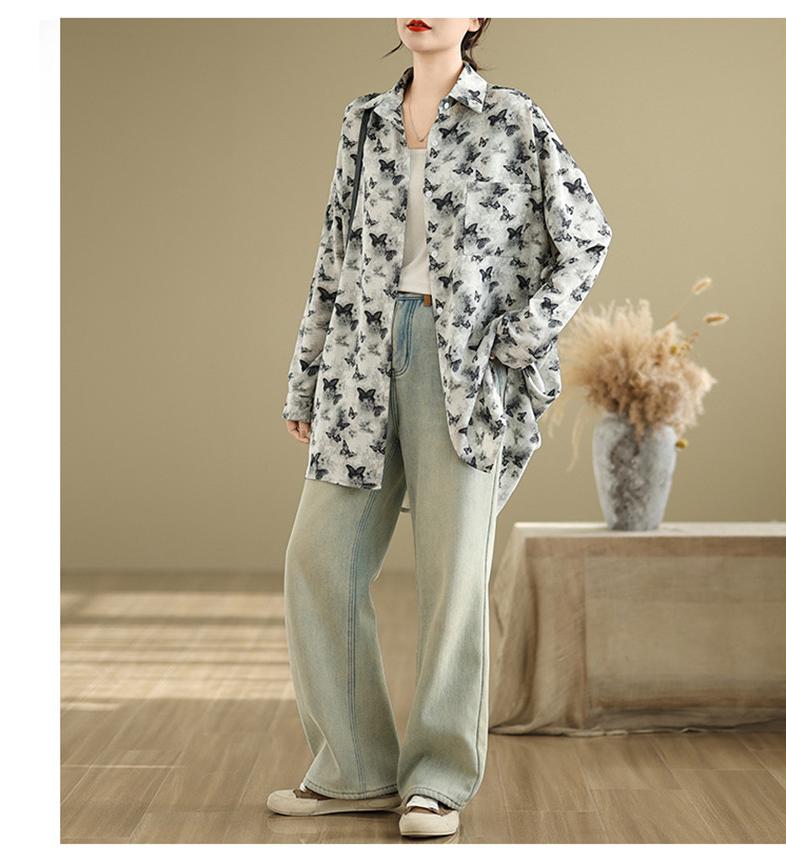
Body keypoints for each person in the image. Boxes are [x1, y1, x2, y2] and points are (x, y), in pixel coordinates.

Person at [267, 18, 613, 839]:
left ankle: (437, 782)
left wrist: (517, 341)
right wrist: (306, 374)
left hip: (461, 368)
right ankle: (353, 770)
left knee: (452, 579)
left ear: (477, 15)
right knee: (318, 560)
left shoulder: (512, 118)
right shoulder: (363, 121)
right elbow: (332, 253)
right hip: (358, 357)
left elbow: (585, 236)